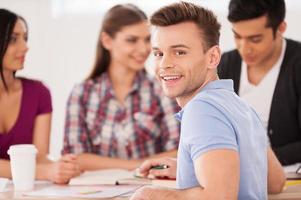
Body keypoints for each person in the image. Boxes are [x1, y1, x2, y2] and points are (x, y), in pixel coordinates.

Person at [130, 2, 285, 200]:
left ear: (212, 57)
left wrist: (150, 195)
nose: (165, 64)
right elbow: (275, 182)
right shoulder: (241, 107)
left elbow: (218, 196)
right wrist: (192, 167)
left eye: (179, 52)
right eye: (159, 53)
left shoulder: (202, 110)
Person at [63, 4, 180, 171]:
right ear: (107, 41)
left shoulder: (162, 89)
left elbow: (178, 152)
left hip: (149, 189)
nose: (143, 49)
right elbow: (75, 158)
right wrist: (137, 166)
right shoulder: (82, 93)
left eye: (147, 39)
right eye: (132, 40)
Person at [0, 9, 81, 184]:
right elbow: (41, 169)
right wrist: (45, 172)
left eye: (25, 38)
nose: (25, 47)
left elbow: (39, 158)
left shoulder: (38, 93)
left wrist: (62, 166)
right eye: (14, 39)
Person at [218, 0, 301, 165]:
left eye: (255, 39)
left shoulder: (297, 65)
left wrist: (254, 160)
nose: (244, 48)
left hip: (289, 177)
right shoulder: (225, 64)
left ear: (280, 29)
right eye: (237, 36)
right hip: (232, 172)